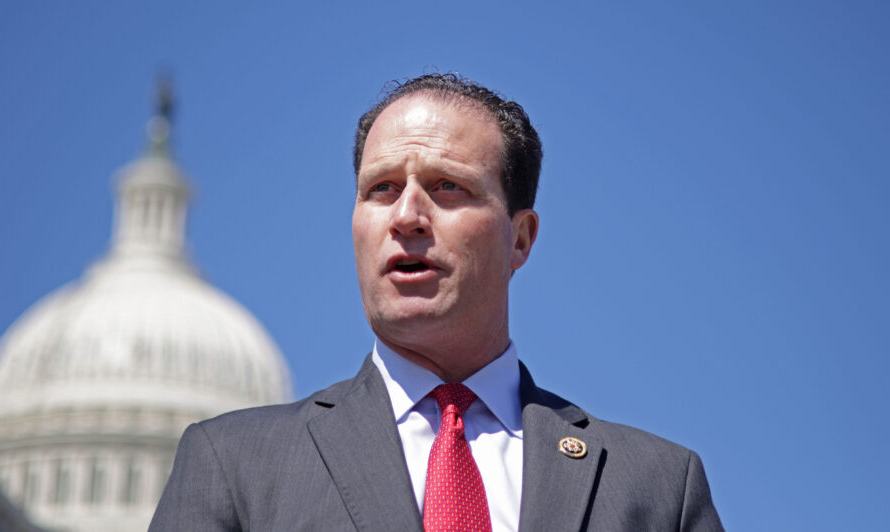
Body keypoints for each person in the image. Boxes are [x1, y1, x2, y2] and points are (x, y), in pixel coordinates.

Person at [149, 73, 723, 531]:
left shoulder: (656, 488)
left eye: (448, 187)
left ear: (520, 238)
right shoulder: (235, 465)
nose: (406, 217)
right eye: (381, 189)